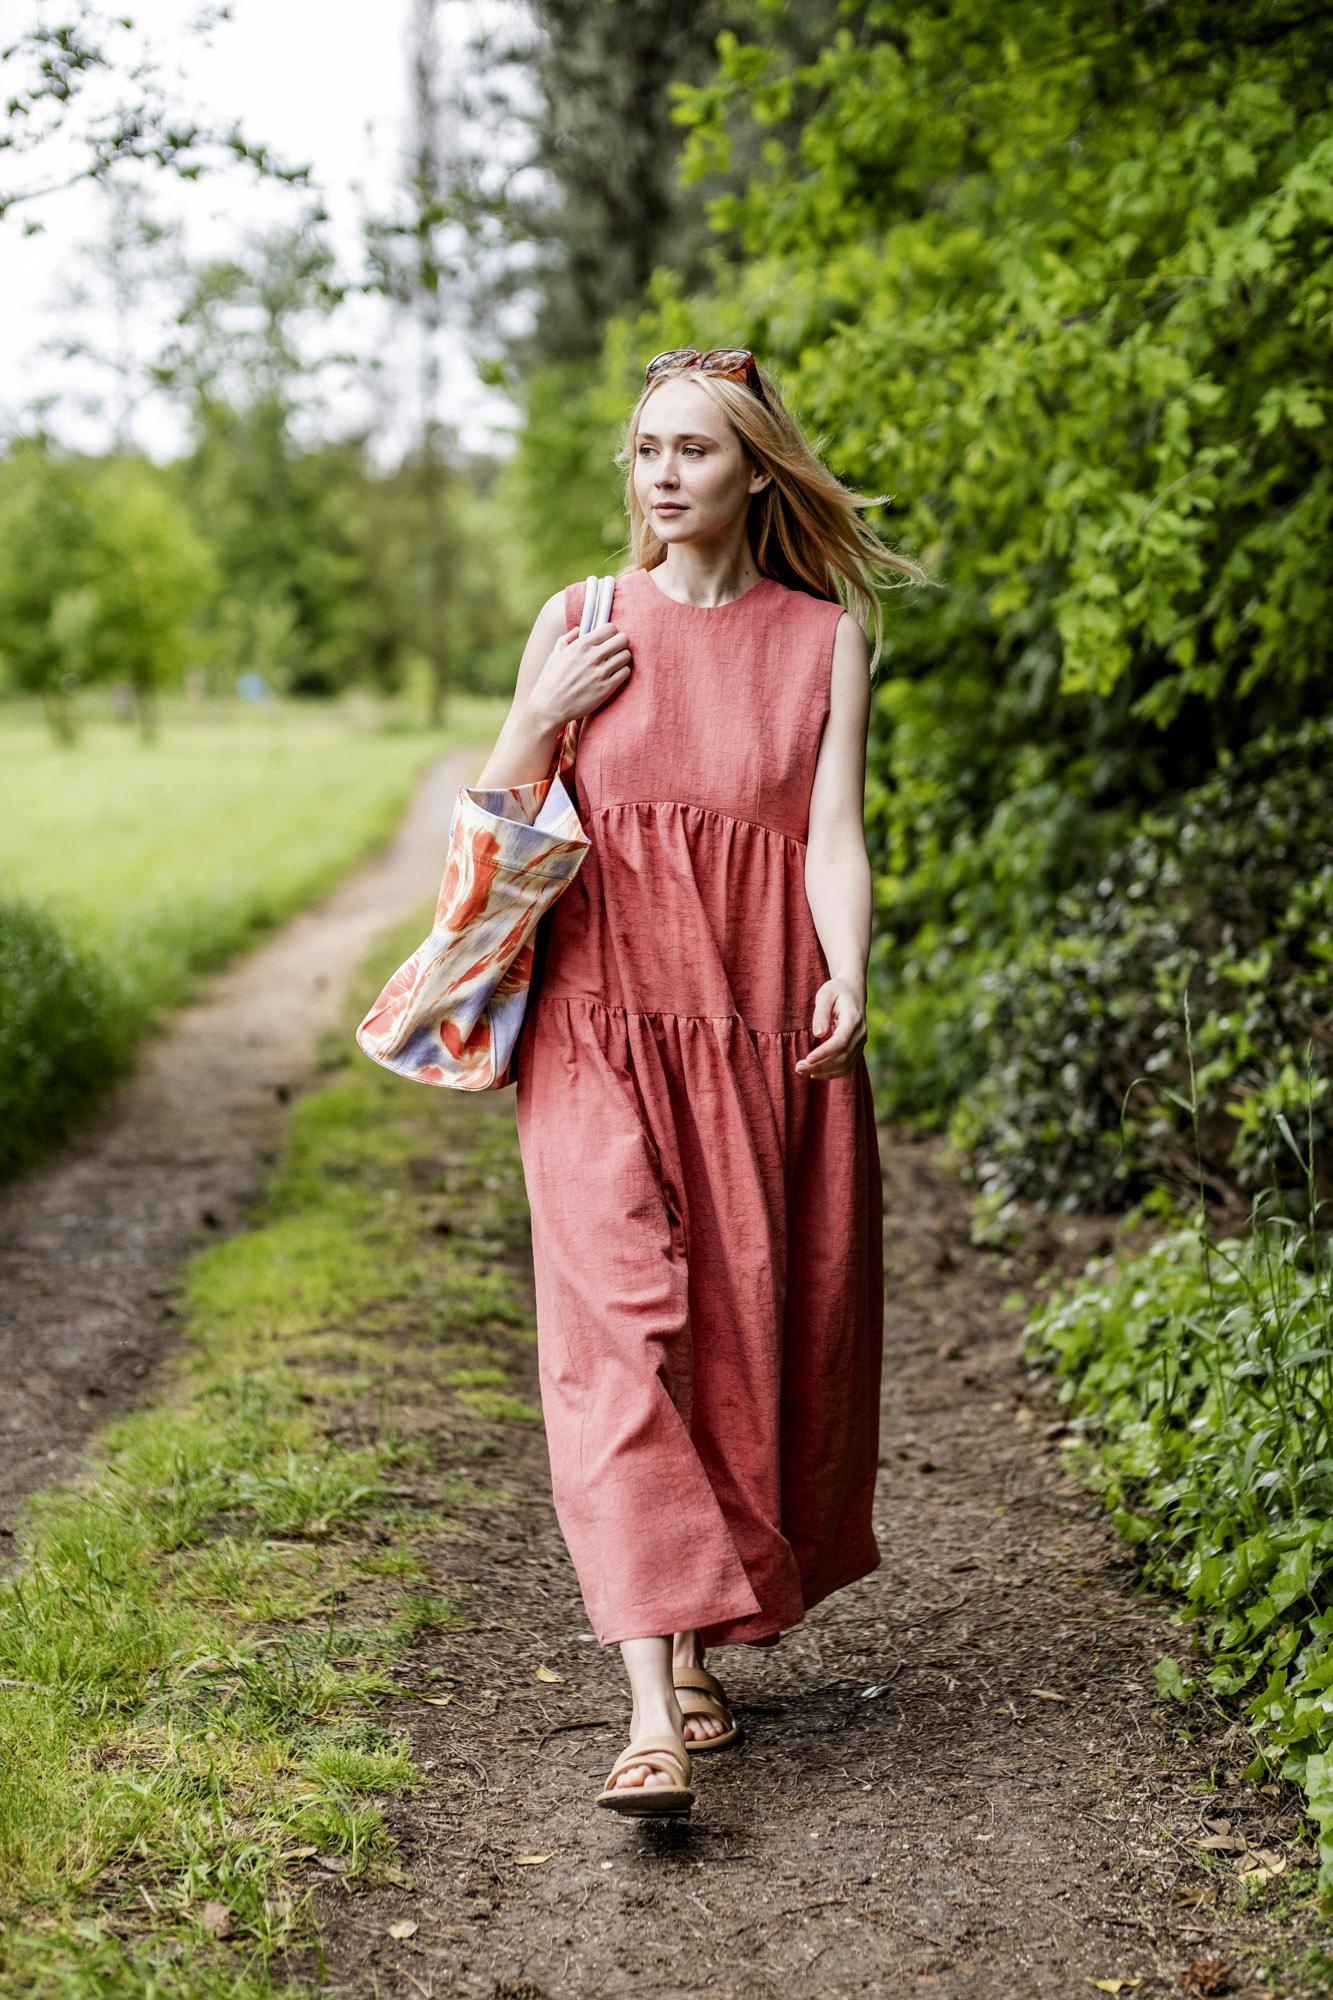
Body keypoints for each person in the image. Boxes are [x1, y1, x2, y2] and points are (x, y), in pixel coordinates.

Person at [472, 346, 929, 1817]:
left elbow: (832, 833)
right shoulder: (582, 621)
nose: (662, 474)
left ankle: (694, 1640)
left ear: (754, 472)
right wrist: (537, 712)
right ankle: (648, 1714)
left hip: (752, 1028)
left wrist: (848, 969)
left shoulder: (823, 640)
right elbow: (501, 821)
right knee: (617, 1341)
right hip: (595, 1027)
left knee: (737, 1333)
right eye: (646, 449)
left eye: (694, 449)